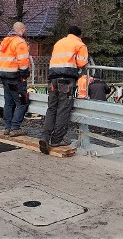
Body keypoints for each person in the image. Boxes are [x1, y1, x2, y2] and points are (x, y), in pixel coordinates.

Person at [39, 26, 88, 154]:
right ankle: (57, 139)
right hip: (66, 79)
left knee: (52, 107)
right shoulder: (79, 44)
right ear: (79, 35)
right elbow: (82, 63)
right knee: (63, 108)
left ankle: (45, 136)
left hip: (53, 78)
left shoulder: (59, 43)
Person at [0, 21, 31, 137]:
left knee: (9, 102)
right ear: (22, 30)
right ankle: (15, 127)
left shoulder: (5, 41)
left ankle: (7, 127)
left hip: (4, 75)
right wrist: (25, 74)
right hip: (15, 77)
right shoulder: (20, 42)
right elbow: (23, 61)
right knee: (22, 102)